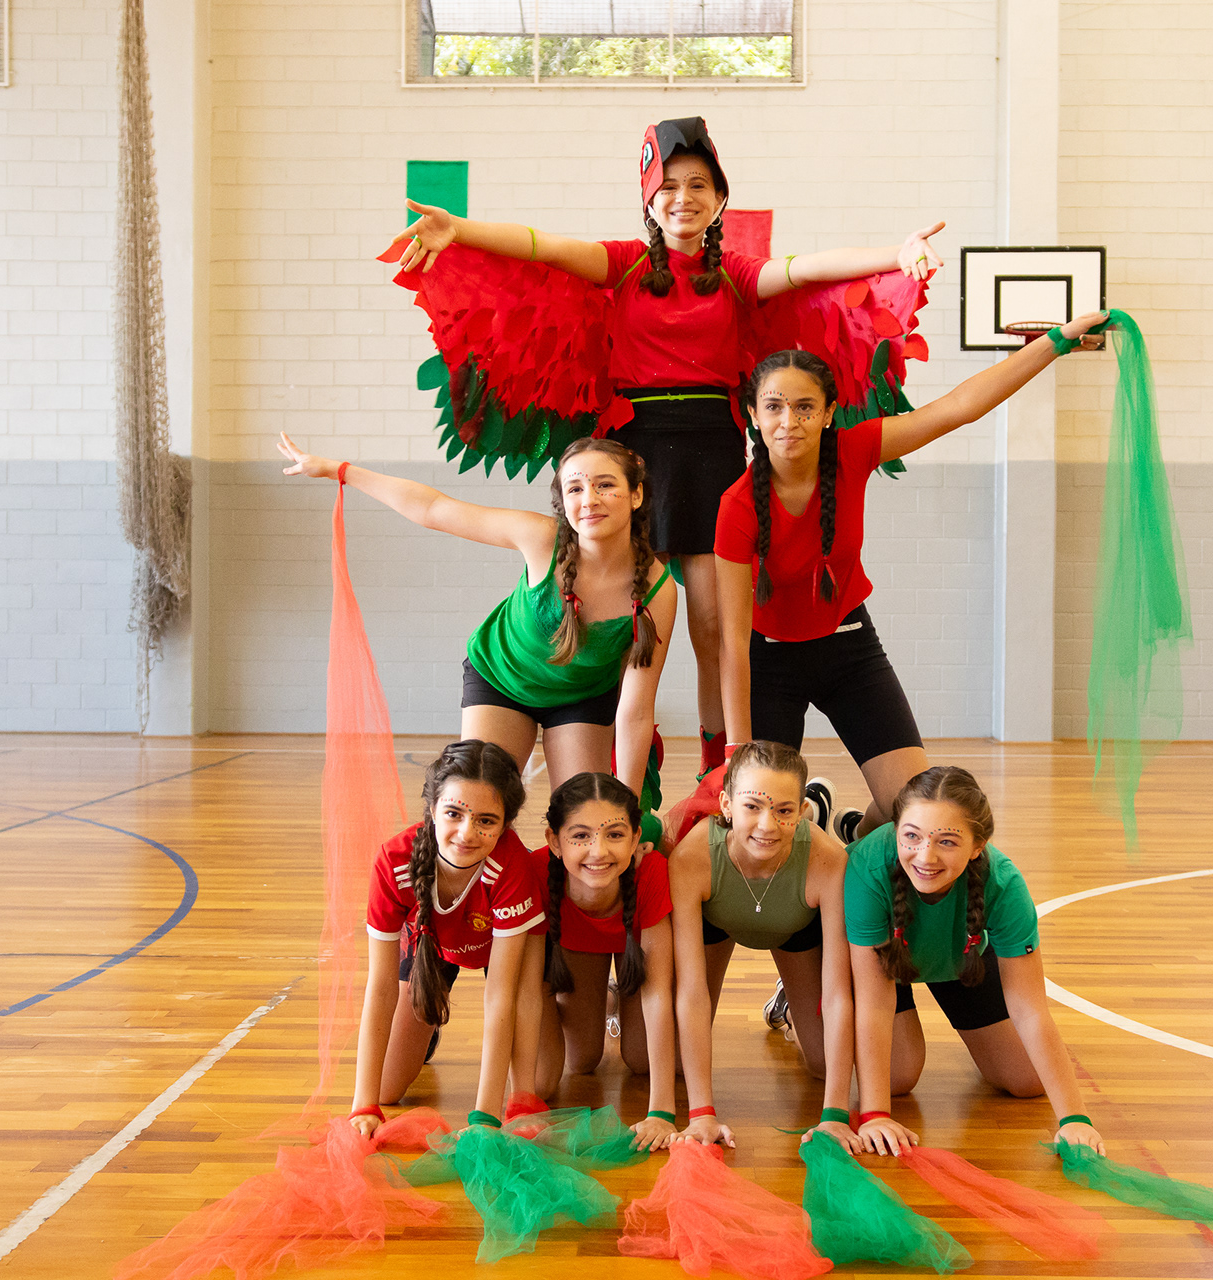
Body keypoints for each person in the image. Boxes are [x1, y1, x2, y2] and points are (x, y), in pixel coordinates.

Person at [393, 115, 944, 780]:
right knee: (632, 621)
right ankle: (635, 763)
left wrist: (896, 253)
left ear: (719, 198)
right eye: (670, 186)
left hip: (713, 452)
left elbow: (809, 270)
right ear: (649, 199)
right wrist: (460, 228)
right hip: (636, 454)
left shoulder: (736, 273)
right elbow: (542, 248)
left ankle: (718, 770)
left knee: (714, 627)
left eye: (699, 185)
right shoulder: (624, 261)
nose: (684, 198)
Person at [715, 316, 1108, 841]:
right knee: (764, 816)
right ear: (754, 415)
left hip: (847, 647)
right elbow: (732, 641)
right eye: (774, 407)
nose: (790, 421)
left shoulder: (854, 450)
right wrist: (737, 752)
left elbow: (958, 407)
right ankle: (809, 812)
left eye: (805, 406)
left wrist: (1053, 345)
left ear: (829, 413)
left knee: (910, 806)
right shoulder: (737, 506)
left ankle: (852, 831)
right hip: (768, 661)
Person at [278, 433, 676, 796]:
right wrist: (341, 470)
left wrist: (627, 804)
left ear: (636, 494)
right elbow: (434, 509)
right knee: (480, 800)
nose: (589, 499)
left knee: (583, 816)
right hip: (501, 680)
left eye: (605, 485)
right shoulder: (541, 538)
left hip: (583, 697)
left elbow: (636, 710)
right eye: (575, 488)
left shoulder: (657, 590)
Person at [844, 766, 1107, 1158]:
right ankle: (801, 1004)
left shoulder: (1004, 884)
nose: (926, 856)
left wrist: (1074, 1119)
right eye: (911, 836)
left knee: (1027, 1079)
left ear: (977, 845)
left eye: (947, 841)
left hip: (956, 952)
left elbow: (1030, 1007)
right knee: (897, 1075)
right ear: (895, 830)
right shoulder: (868, 867)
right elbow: (874, 1003)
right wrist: (876, 1114)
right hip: (884, 956)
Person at [668, 740, 855, 1152]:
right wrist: (701, 1114)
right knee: (674, 1062)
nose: (767, 825)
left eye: (784, 811)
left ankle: (788, 1004)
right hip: (717, 918)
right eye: (752, 806)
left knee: (824, 1064)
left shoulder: (828, 861)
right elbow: (691, 992)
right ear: (726, 805)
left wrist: (835, 1115)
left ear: (800, 813)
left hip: (794, 924)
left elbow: (838, 993)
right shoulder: (691, 858)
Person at [350, 740, 545, 1134]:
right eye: (453, 814)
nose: (466, 833)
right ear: (432, 809)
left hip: (506, 953)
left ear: (506, 824)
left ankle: (530, 1082)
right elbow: (381, 987)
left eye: (486, 821)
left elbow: (503, 994)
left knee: (546, 1080)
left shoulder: (512, 864)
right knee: (387, 1089)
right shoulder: (394, 862)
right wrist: (363, 1105)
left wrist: (486, 1116)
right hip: (435, 945)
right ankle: (426, 1029)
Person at [533, 772, 678, 1150]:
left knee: (641, 1060)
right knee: (580, 1061)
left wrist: (661, 1111)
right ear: (554, 841)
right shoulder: (536, 872)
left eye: (614, 834)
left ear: (635, 838)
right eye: (580, 836)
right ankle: (610, 998)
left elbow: (658, 993)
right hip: (578, 947)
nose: (598, 851)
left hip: (635, 949)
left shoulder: (651, 870)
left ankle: (615, 994)